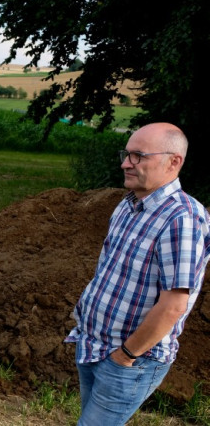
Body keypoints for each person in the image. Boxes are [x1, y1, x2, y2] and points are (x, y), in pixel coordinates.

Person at [64, 123, 208, 426]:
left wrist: (125, 355)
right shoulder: (128, 206)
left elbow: (173, 306)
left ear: (173, 162)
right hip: (94, 346)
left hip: (130, 360)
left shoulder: (181, 218)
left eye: (138, 156)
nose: (126, 163)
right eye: (127, 154)